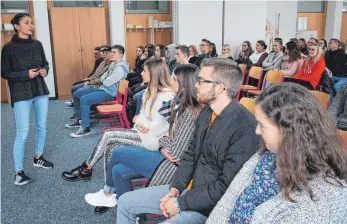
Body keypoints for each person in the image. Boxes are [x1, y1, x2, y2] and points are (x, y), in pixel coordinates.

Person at [116, 58, 260, 224]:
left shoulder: (245, 127)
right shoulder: (206, 112)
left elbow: (227, 186)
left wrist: (180, 203)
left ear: (220, 87)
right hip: (188, 192)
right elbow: (190, 156)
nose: (196, 86)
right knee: (125, 202)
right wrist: (175, 189)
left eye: (201, 81)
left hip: (209, 209)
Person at [207, 83, 347, 224]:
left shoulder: (317, 203)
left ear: (288, 132)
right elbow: (227, 203)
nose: (257, 131)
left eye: (262, 125)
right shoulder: (266, 155)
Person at [84, 64, 202, 209]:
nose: (170, 80)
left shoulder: (189, 111)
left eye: (173, 78)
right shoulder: (180, 104)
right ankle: (130, 209)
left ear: (183, 84)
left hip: (173, 166)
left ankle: (107, 194)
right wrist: (164, 144)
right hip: (165, 153)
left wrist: (163, 146)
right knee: (118, 170)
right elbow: (169, 136)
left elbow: (175, 150)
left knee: (117, 152)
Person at [61, 58, 174, 181]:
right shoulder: (149, 90)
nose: (141, 73)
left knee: (109, 135)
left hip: (153, 140)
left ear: (154, 73)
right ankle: (105, 185)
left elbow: (156, 126)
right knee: (110, 143)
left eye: (145, 71)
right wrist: (139, 123)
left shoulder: (165, 96)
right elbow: (142, 116)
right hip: (143, 133)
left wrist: (139, 121)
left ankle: (88, 168)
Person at [1, 13, 53, 185]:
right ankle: (19, 172)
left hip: (40, 90)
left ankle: (38, 157)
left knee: (42, 126)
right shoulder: (8, 48)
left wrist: (45, 70)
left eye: (31, 22)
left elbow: (45, 63)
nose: (31, 25)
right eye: (26, 23)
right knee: (22, 132)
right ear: (16, 26)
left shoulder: (37, 44)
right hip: (21, 92)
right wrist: (26, 74)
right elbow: (5, 73)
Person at [65, 45, 129, 137]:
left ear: (121, 55)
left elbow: (107, 82)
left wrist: (104, 79)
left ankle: (85, 128)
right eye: (112, 52)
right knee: (77, 93)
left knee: (85, 99)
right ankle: (79, 118)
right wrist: (104, 79)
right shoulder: (113, 64)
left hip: (110, 93)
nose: (112, 54)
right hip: (103, 89)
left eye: (114, 52)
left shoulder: (120, 68)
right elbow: (103, 78)